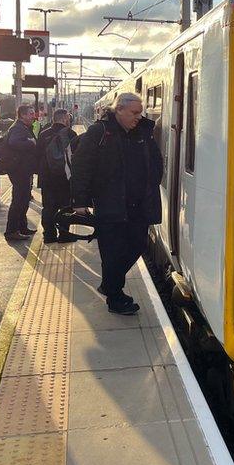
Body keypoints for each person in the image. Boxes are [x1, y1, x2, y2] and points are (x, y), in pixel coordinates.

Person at [71, 93, 163, 315]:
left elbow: (155, 162)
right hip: (110, 204)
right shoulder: (100, 132)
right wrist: (80, 201)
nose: (139, 117)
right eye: (134, 112)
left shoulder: (142, 133)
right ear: (119, 110)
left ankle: (110, 283)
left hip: (138, 206)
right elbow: (82, 167)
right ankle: (115, 297)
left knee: (138, 245)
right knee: (112, 252)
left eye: (140, 112)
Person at [37, 109, 77, 244]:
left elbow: (37, 156)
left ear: (54, 119)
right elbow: (76, 158)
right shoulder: (71, 134)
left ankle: (49, 235)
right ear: (65, 119)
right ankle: (64, 234)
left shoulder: (43, 135)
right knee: (66, 207)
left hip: (47, 178)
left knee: (48, 207)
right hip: (65, 177)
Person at [4, 105, 38, 241]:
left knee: (24, 199)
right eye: (30, 114)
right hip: (19, 170)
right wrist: (31, 142)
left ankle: (22, 227)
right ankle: (11, 231)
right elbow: (14, 142)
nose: (33, 116)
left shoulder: (22, 127)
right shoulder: (18, 128)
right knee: (18, 200)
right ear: (22, 115)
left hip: (23, 169)